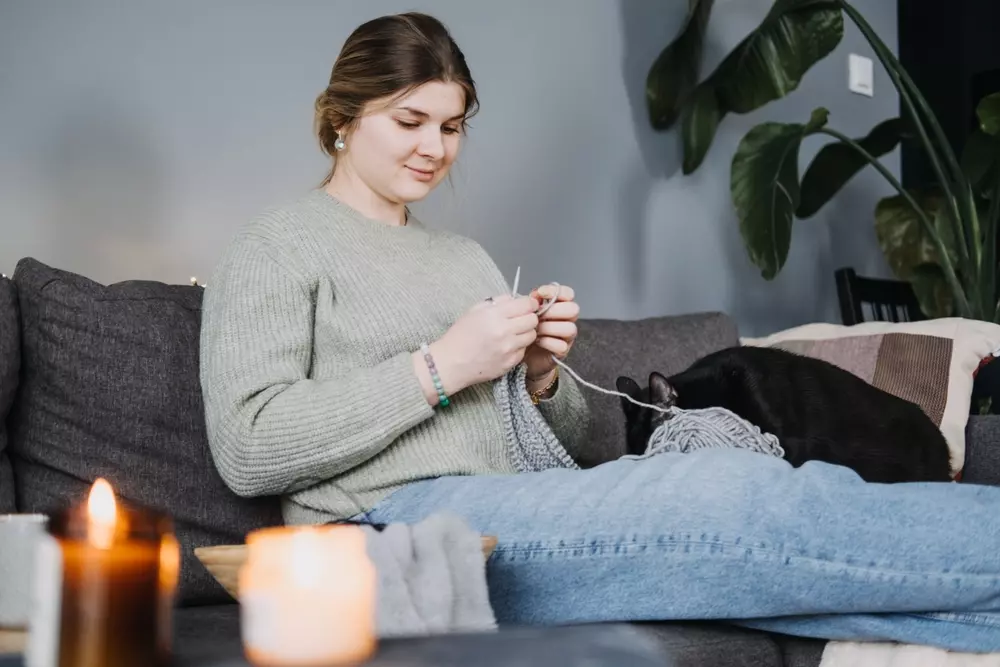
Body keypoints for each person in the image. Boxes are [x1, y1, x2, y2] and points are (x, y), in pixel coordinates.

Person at [199, 12, 1000, 653]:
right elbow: (246, 444)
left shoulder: (463, 257)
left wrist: (542, 374)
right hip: (392, 532)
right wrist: (440, 368)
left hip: (514, 503)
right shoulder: (280, 243)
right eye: (411, 120)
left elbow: (571, 446)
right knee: (722, 492)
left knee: (780, 504)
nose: (434, 149)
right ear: (344, 116)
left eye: (451, 127)